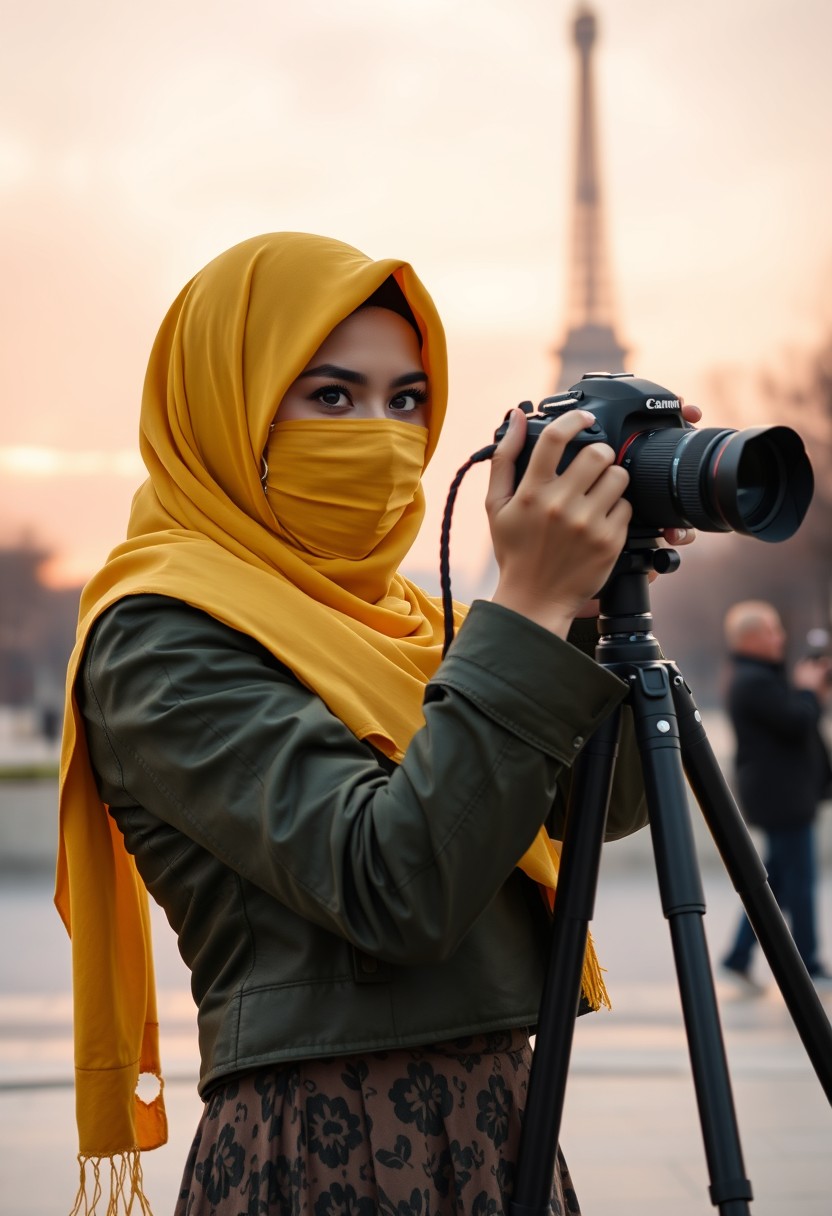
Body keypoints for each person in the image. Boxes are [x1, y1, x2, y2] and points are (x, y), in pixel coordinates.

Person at [56, 232, 698, 1216]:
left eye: (407, 400)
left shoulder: (403, 617)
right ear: (225, 408)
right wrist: (523, 605)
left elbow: (584, 803)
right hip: (324, 1145)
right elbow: (396, 883)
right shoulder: (156, 634)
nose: (383, 432)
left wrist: (585, 601)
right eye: (330, 395)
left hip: (501, 1121)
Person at [720, 599, 832, 993]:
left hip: (782, 797)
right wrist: (807, 691)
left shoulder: (759, 676)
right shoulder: (754, 681)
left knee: (775, 885)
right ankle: (809, 966)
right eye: (773, 630)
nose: (781, 637)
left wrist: (810, 688)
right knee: (797, 883)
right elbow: (796, 721)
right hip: (781, 799)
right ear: (752, 638)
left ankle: (737, 956)